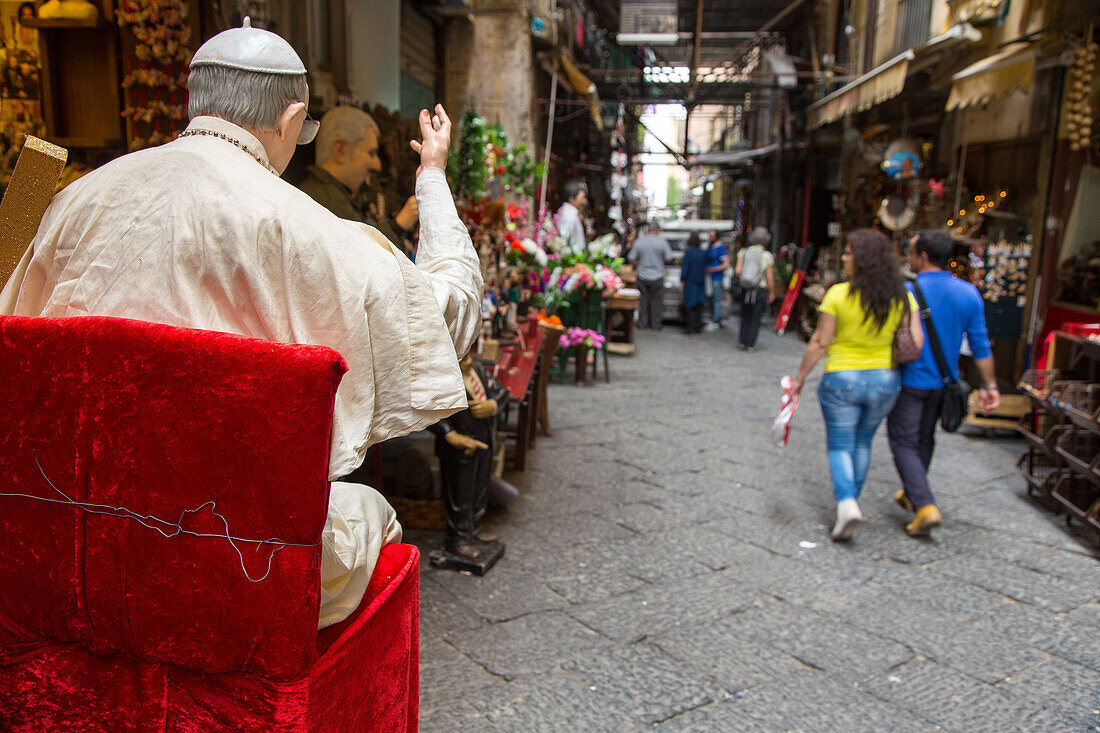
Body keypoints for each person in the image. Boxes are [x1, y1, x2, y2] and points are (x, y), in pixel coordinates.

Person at [0, 20, 482, 629]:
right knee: (371, 512)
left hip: (76, 541)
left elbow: (16, 346)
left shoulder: (77, 200)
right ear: (291, 120)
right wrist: (433, 179)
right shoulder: (302, 228)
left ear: (195, 102)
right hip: (232, 564)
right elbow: (448, 311)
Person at [790, 229, 923, 541]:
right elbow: (914, 341)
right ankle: (850, 500)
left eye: (849, 253)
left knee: (840, 444)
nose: (844, 258)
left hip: (842, 378)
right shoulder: (904, 297)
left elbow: (821, 341)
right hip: (885, 381)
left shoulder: (838, 294)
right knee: (863, 443)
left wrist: (800, 378)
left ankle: (846, 502)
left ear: (863, 260)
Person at [887, 230, 999, 537]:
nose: (908, 258)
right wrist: (990, 386)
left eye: (910, 253)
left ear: (922, 257)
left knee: (902, 440)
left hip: (910, 380)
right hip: (944, 382)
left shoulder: (908, 290)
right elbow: (980, 345)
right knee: (924, 438)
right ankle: (913, 491)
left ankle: (924, 504)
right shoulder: (969, 293)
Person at [299, 104, 418, 249]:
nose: (377, 165)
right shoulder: (328, 203)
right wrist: (398, 225)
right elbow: (363, 255)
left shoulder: (330, 194)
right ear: (340, 150)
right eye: (371, 153)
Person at [427, 351, 509, 560]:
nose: (468, 362)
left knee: (480, 488)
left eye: (469, 357)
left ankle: (474, 528)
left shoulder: (479, 370)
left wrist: (492, 405)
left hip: (484, 440)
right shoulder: (441, 377)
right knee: (459, 494)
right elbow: (430, 407)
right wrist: (449, 433)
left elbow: (502, 392)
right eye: (462, 359)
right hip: (459, 448)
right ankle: (459, 538)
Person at [735, 227, 777, 350]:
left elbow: (737, 271)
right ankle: (750, 343)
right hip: (759, 289)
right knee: (755, 317)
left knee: (745, 315)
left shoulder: (744, 252)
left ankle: (742, 340)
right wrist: (771, 292)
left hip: (745, 288)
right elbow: (769, 277)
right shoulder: (766, 255)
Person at [628, 222, 673, 330]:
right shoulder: (662, 242)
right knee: (657, 302)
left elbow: (631, 258)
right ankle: (655, 324)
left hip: (642, 275)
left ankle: (642, 323)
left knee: (643, 301)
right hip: (657, 276)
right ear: (656, 230)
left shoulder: (640, 241)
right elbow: (669, 258)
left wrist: (639, 263)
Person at [680, 232, 707, 334]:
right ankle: (698, 327)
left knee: (690, 306)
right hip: (701, 282)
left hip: (690, 282)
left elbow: (685, 269)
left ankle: (690, 328)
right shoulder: (703, 253)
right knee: (699, 306)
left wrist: (682, 281)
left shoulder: (689, 253)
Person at [704, 229, 729, 331]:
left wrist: (713, 269)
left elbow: (726, 264)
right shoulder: (710, 246)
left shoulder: (720, 248)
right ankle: (712, 318)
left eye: (711, 236)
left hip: (717, 278)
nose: (709, 237)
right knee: (711, 300)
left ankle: (716, 321)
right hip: (709, 278)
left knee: (717, 300)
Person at [557, 179, 588, 254]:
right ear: (571, 199)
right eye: (582, 198)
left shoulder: (572, 214)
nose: (585, 201)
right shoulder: (568, 216)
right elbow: (563, 242)